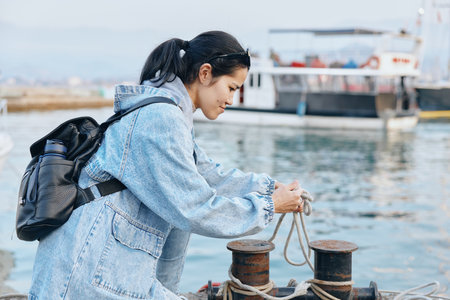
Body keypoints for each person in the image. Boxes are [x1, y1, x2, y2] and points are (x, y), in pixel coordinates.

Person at [28, 31, 305, 300]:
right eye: (231, 88)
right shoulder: (161, 118)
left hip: (98, 268)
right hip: (81, 274)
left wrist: (269, 187)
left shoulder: (168, 112)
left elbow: (205, 173)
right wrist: (269, 206)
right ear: (205, 73)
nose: (231, 100)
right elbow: (196, 209)